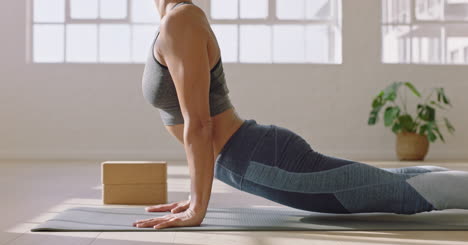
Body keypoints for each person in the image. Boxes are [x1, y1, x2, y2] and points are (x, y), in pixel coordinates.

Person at [134, 0, 468, 230]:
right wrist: (194, 194)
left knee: (402, 194)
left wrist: (198, 206)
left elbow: (200, 124)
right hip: (254, 157)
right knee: (393, 182)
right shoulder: (174, 21)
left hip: (263, 161)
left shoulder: (180, 21)